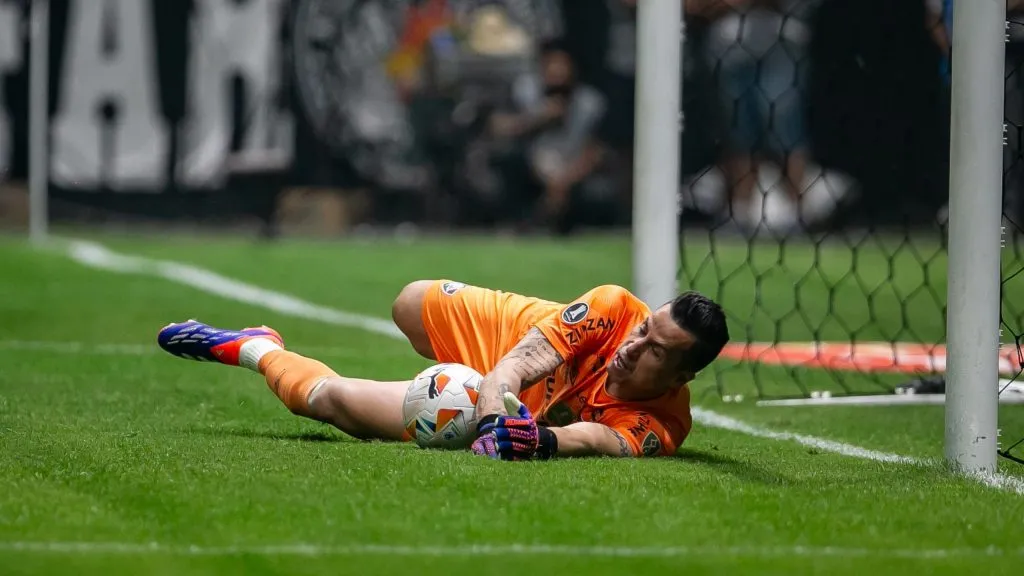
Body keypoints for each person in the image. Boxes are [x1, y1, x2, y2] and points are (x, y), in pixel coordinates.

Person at [156, 280, 729, 460]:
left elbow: (595, 438)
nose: (634, 345)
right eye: (642, 330)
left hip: (513, 412)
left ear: (682, 377)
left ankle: (256, 348)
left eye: (656, 348)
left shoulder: (663, 428)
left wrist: (533, 438)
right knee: (409, 304)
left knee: (327, 402)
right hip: (514, 342)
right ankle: (470, 396)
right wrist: (490, 418)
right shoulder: (612, 308)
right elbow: (520, 362)